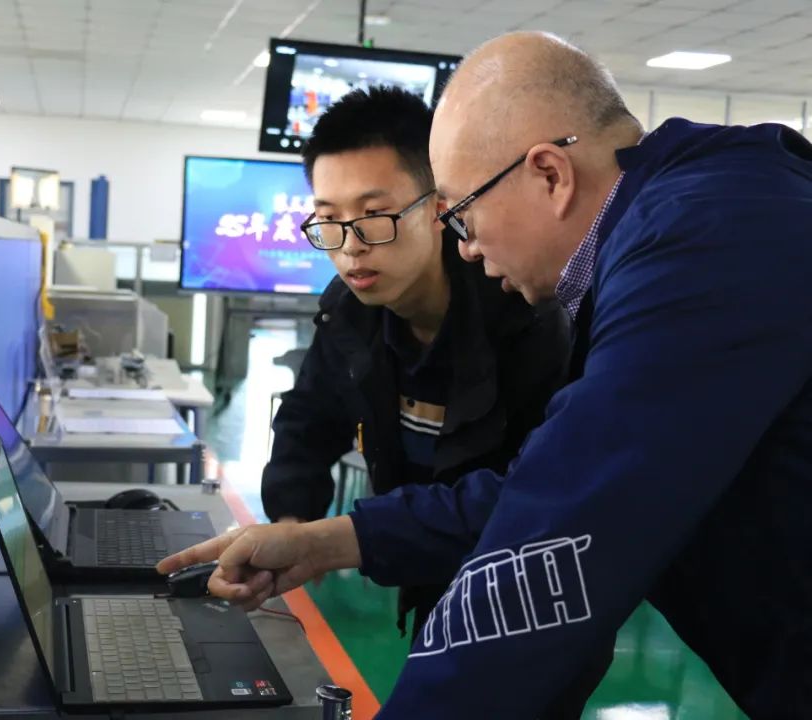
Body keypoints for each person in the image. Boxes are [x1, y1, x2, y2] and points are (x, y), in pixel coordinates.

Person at [161, 31, 812, 718]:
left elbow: (558, 523)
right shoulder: (687, 220)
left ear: (550, 175)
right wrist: (326, 540)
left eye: (461, 212)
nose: (466, 246)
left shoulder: (698, 244)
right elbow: (542, 482)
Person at [260, 86, 570, 642]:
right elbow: (309, 417)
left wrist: (335, 542)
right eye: (328, 219)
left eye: (374, 215)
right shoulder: (349, 313)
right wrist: (291, 519)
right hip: (427, 567)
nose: (350, 247)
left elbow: (534, 494)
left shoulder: (524, 314)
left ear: (438, 208)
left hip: (531, 589)